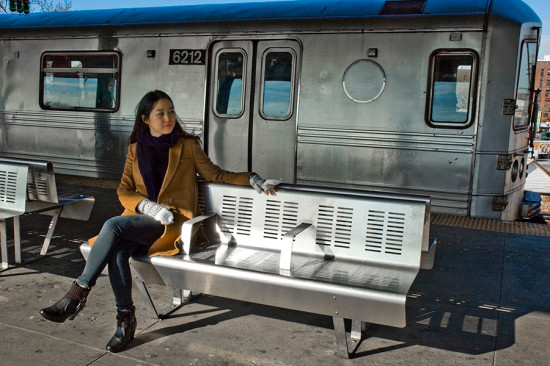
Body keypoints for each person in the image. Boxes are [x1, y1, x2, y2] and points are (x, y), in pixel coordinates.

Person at [39, 90, 280, 352]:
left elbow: (216, 174)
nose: (168, 118)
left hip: (173, 223)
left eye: (171, 111)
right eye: (160, 113)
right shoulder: (135, 148)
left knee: (112, 226)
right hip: (143, 220)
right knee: (118, 253)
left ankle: (77, 295)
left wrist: (253, 178)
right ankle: (125, 321)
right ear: (145, 118)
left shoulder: (187, 145)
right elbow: (124, 190)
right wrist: (147, 206)